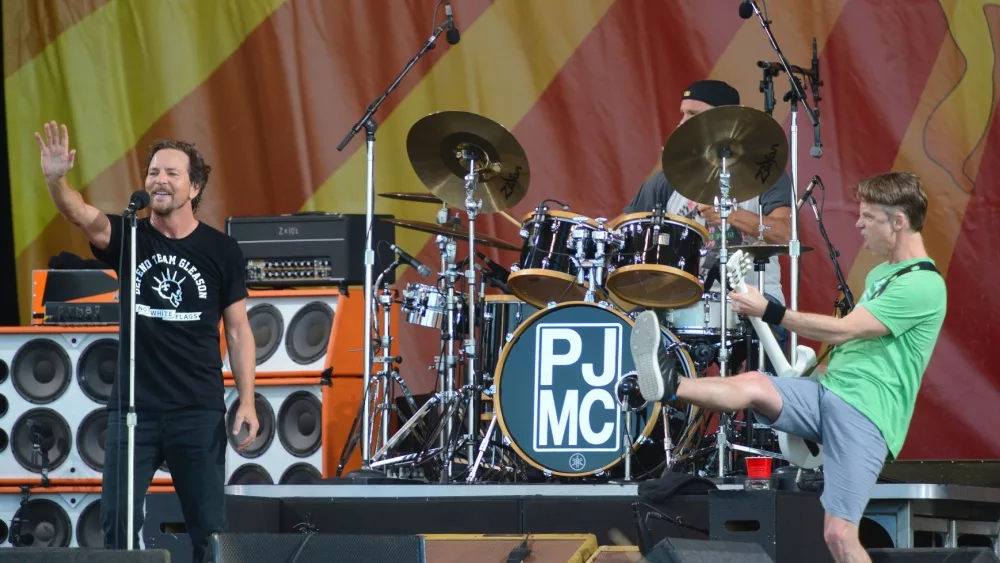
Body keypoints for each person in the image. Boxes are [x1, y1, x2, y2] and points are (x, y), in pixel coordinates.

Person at [630, 172, 946, 562]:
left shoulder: (924, 285)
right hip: (830, 393)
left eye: (869, 217)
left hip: (866, 412)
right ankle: (669, 383)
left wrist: (771, 310)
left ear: (898, 221)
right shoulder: (884, 275)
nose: (859, 224)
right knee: (754, 384)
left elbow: (847, 331)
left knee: (839, 535)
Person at [35, 121, 260, 562]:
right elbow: (78, 213)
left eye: (172, 173)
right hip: (133, 409)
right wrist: (55, 179)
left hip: (197, 408)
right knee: (116, 522)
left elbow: (238, 330)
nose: (160, 179)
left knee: (209, 527)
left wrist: (248, 400)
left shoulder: (221, 251)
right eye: (154, 171)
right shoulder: (130, 236)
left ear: (194, 187)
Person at [623, 79, 793, 367]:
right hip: (682, 300)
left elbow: (785, 234)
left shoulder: (766, 175)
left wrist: (732, 215)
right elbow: (626, 227)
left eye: (693, 116)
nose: (681, 123)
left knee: (770, 394)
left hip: (753, 300)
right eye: (682, 113)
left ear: (723, 126)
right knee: (630, 332)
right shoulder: (668, 180)